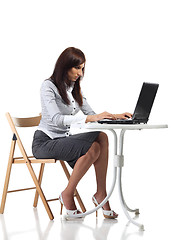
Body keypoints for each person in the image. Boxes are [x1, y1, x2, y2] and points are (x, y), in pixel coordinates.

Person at [32, 47, 132, 219]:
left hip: (63, 141)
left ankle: (100, 193)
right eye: (77, 68)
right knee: (93, 146)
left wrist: (115, 116)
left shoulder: (73, 88)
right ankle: (68, 194)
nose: (80, 72)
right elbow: (56, 119)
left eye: (82, 68)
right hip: (45, 143)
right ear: (65, 66)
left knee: (101, 137)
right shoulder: (48, 86)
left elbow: (92, 114)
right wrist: (87, 119)